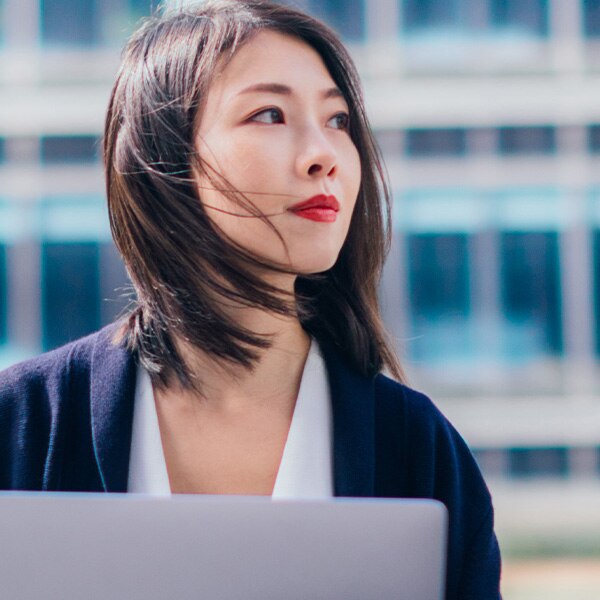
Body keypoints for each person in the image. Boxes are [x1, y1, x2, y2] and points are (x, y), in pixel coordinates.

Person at [0, 1, 501, 597]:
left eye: (338, 120)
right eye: (269, 114)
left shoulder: (417, 445)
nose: (324, 156)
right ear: (164, 159)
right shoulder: (24, 422)